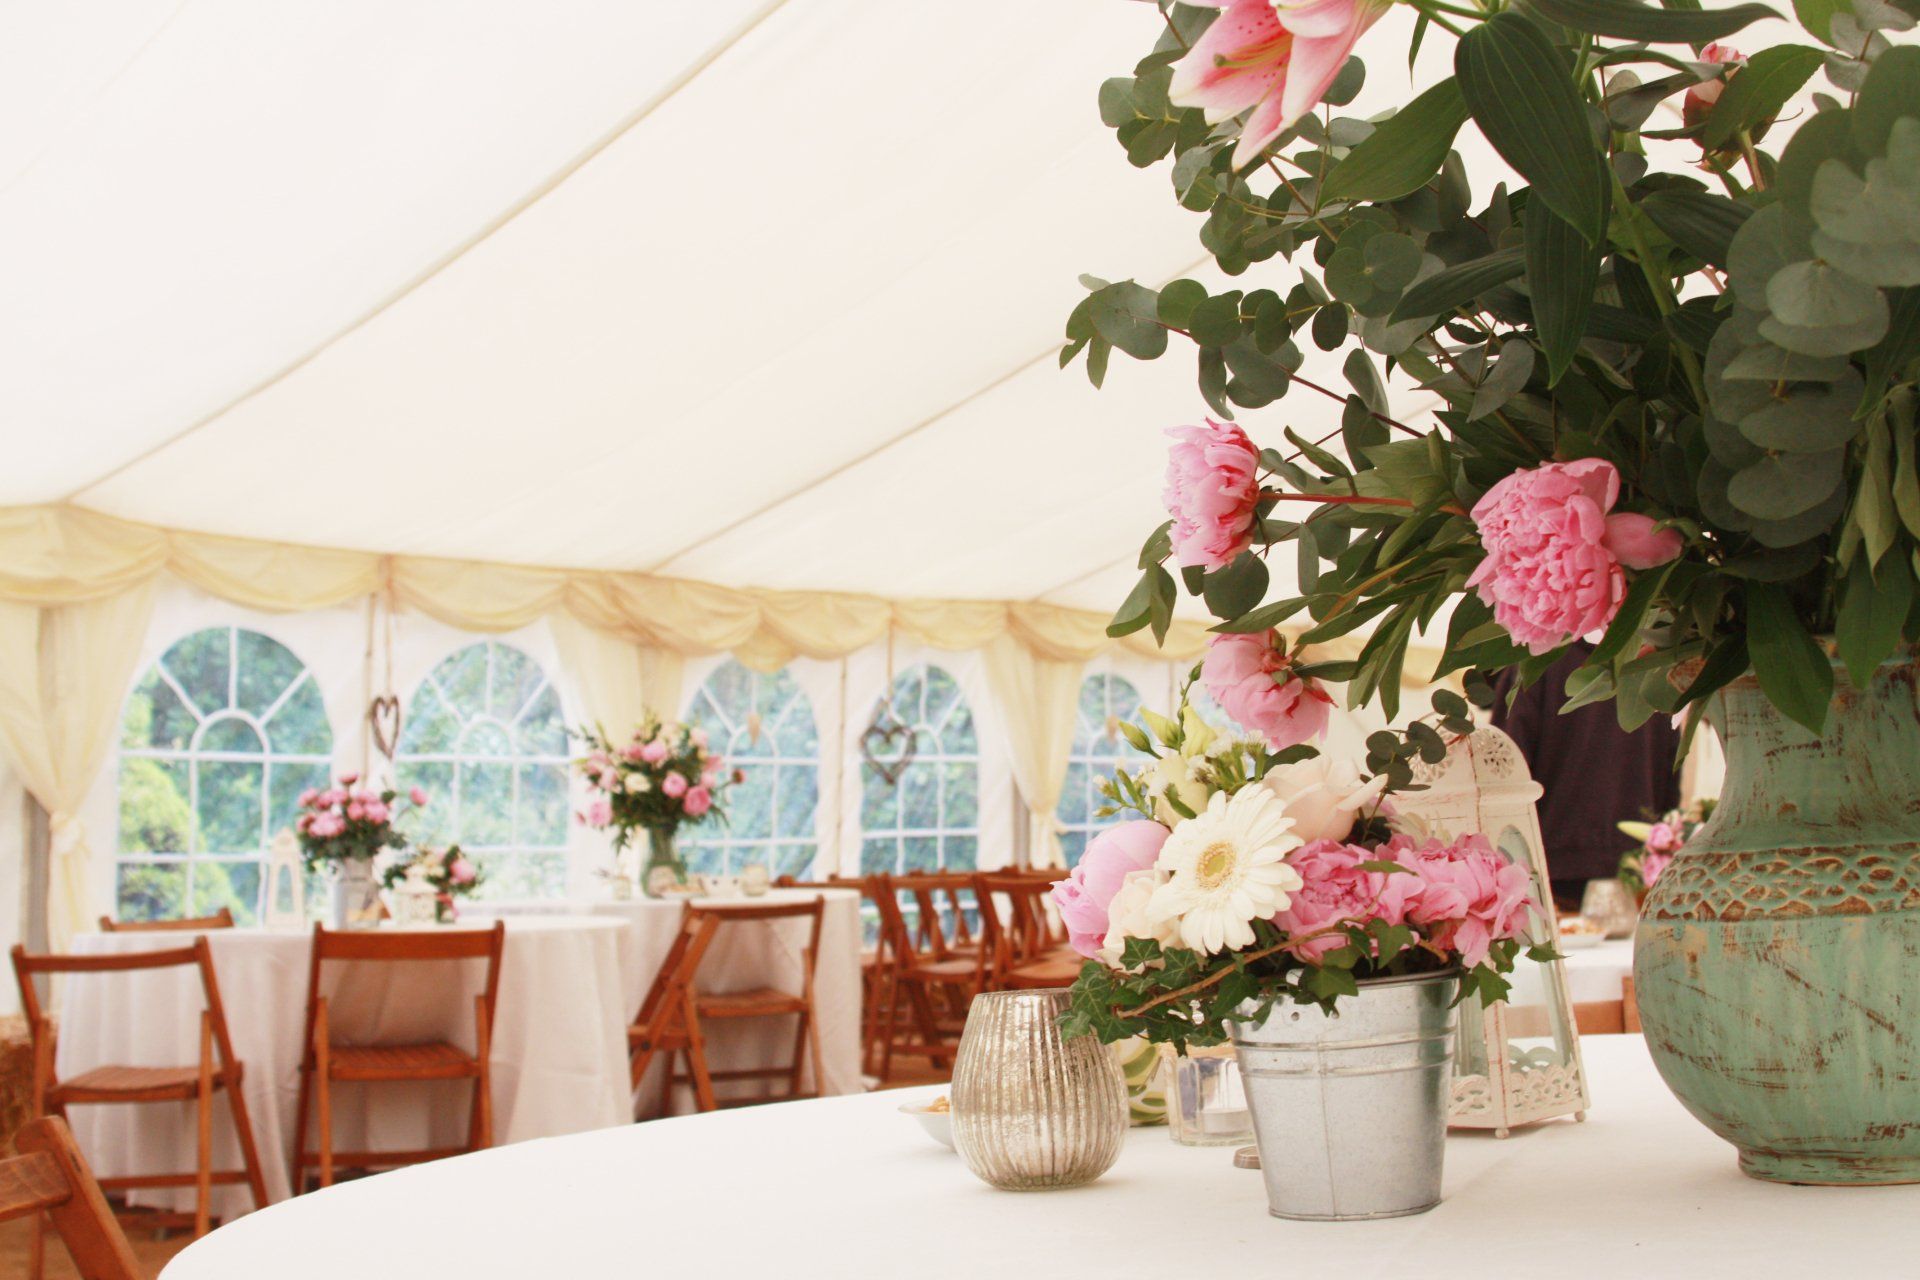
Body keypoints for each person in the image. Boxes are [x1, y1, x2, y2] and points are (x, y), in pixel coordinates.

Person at [1488, 642, 1680, 911]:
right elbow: (1672, 773)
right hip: (1637, 873)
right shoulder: (1656, 665)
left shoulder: (1537, 662)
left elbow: (1500, 775)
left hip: (1551, 873)